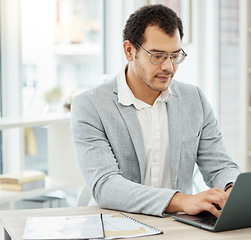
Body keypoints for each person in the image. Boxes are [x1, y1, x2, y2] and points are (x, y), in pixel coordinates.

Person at [70, 4, 240, 217]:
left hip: (179, 226)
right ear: (129, 51)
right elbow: (106, 185)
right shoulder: (90, 106)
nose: (169, 67)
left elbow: (220, 167)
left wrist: (232, 190)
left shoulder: (194, 99)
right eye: (158, 56)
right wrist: (181, 200)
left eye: (175, 55)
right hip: (118, 223)